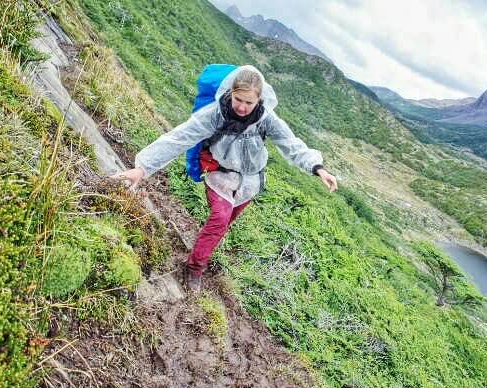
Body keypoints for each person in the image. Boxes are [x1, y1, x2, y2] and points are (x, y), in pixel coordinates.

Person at [111, 65, 338, 291]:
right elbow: (179, 138)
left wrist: (318, 168)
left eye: (249, 103)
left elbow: (291, 144)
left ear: (259, 100)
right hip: (220, 173)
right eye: (238, 99)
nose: (241, 107)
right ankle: (194, 269)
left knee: (224, 224)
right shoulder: (215, 115)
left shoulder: (266, 119)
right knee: (220, 219)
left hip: (250, 182)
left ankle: (201, 250)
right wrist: (142, 168)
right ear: (231, 93)